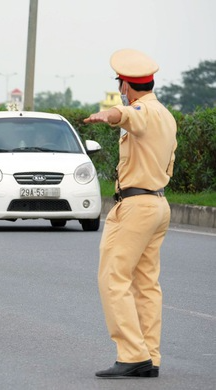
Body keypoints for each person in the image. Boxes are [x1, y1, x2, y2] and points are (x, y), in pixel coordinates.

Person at [84, 49, 177, 378]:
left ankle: (132, 353)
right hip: (158, 204)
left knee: (113, 278)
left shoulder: (142, 111)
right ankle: (149, 355)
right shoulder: (166, 115)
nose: (121, 88)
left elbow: (125, 115)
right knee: (146, 284)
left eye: (122, 83)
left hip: (136, 206)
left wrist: (107, 114)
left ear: (127, 85)